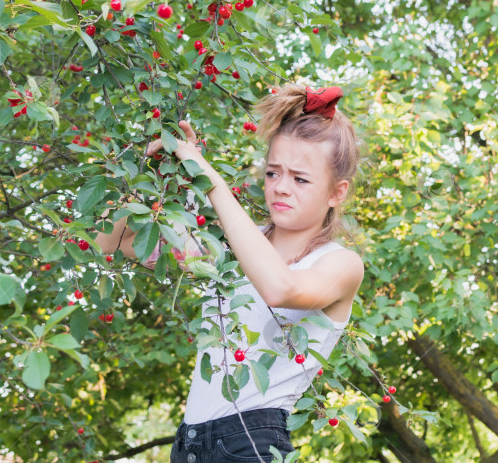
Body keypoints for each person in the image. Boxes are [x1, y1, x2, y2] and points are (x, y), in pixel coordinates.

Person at [94, 83, 365, 462]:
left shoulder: (341, 264)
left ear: (337, 192)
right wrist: (155, 176)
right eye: (273, 173)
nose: (281, 188)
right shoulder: (227, 246)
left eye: (300, 179)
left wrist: (207, 176)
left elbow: (279, 288)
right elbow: (111, 241)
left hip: (249, 444)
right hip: (189, 444)